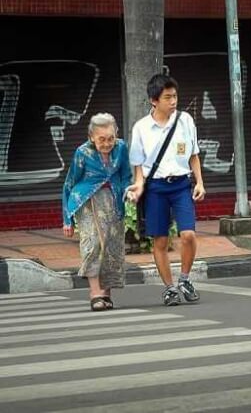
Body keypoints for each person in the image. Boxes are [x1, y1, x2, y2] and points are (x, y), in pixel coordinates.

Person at [127, 74, 206, 306]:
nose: (173, 101)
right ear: (154, 100)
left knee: (188, 234)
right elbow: (138, 166)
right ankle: (170, 288)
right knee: (160, 241)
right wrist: (139, 186)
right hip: (156, 189)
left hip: (181, 184)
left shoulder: (185, 120)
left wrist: (199, 182)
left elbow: (193, 155)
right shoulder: (141, 128)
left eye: (175, 96)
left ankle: (184, 279)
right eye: (168, 97)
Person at [62, 113, 131, 311]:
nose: (107, 143)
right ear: (91, 136)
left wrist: (130, 191)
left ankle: (106, 294)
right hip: (87, 201)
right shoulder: (82, 153)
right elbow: (69, 184)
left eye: (111, 138)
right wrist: (67, 219)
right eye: (102, 139)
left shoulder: (121, 148)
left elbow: (126, 176)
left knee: (111, 247)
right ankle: (95, 293)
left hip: (114, 201)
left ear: (116, 133)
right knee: (92, 244)